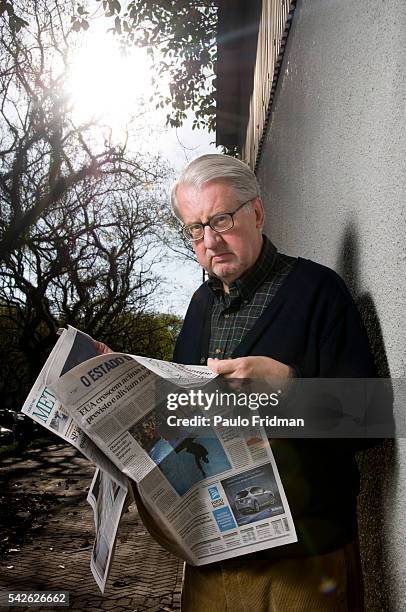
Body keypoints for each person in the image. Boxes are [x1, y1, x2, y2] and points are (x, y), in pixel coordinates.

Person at [168, 153, 376, 611]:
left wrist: (288, 387)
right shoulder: (198, 307)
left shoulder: (319, 291)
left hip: (304, 561)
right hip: (212, 559)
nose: (210, 240)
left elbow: (373, 419)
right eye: (195, 229)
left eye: (221, 219)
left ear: (257, 212)